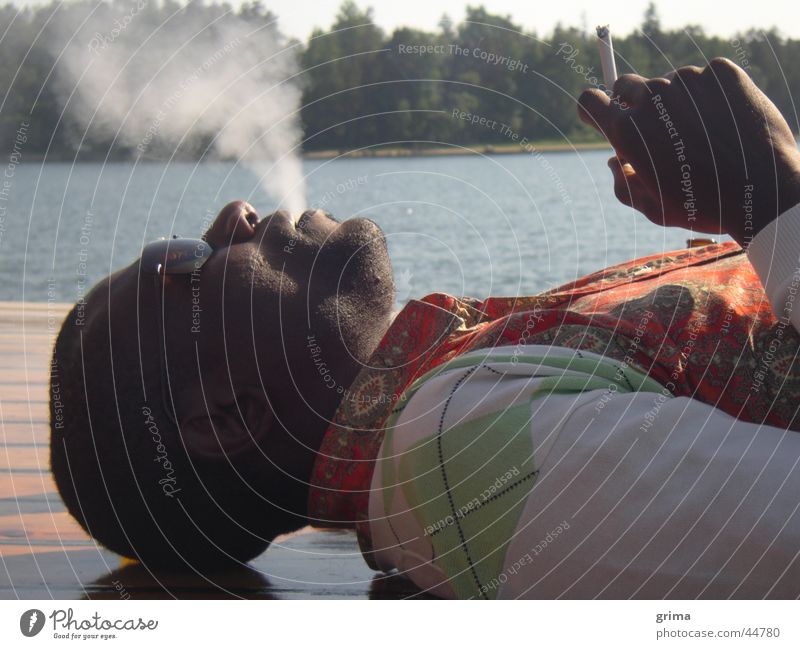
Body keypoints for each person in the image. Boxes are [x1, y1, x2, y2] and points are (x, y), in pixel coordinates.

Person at [50, 58, 800, 598]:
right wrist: (769, 189)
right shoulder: (463, 454)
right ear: (226, 415)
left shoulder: (453, 414)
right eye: (180, 262)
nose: (231, 218)